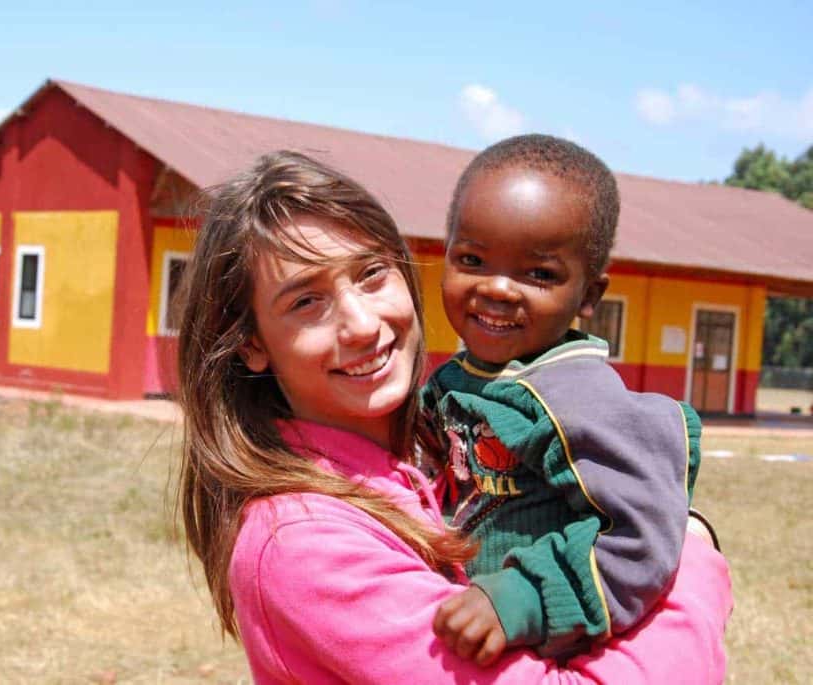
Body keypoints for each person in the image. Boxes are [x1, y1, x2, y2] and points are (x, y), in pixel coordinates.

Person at [176, 149, 731, 684]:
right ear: (251, 344)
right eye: (306, 302)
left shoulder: (443, 440)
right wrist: (694, 557)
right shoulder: (302, 543)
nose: (363, 324)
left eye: (371, 274)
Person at [422, 134, 705, 662]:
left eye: (539, 274)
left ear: (589, 296)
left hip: (549, 648)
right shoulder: (455, 379)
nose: (499, 288)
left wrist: (524, 596)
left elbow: (641, 541)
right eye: (473, 258)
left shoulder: (578, 399)